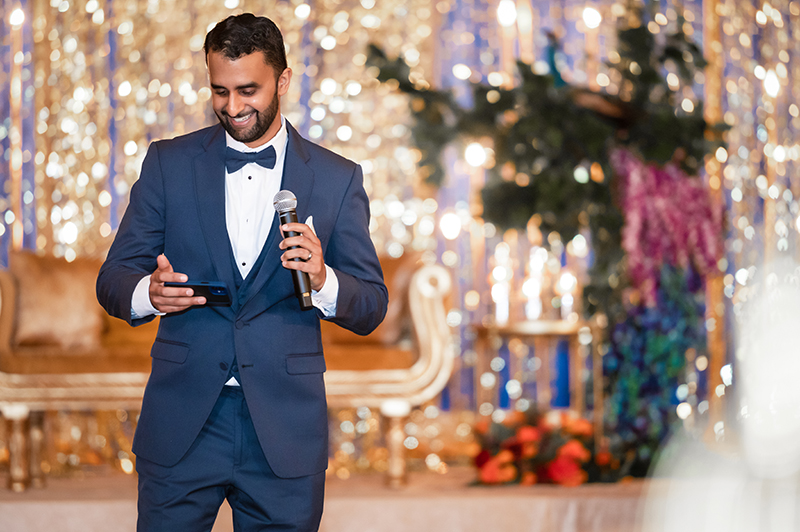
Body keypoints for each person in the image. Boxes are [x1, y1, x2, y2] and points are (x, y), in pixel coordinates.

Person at [96, 13, 387, 532]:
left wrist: (324, 279)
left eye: (248, 90)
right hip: (183, 422)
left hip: (285, 431)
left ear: (283, 80)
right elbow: (113, 278)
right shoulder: (168, 163)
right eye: (220, 91)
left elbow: (371, 308)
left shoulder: (338, 178)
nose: (233, 108)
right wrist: (150, 292)